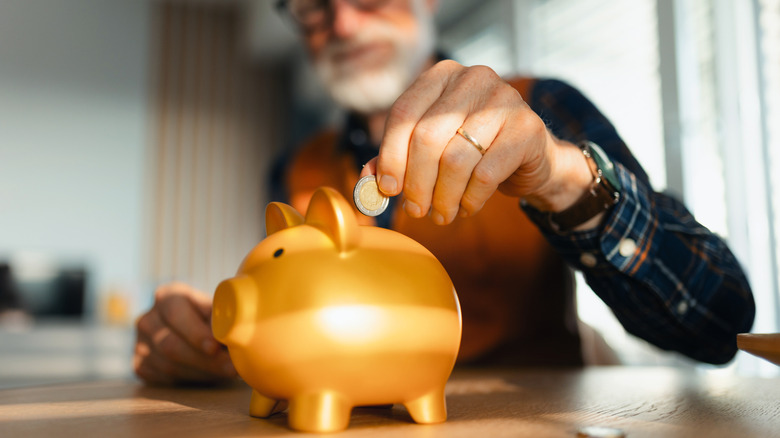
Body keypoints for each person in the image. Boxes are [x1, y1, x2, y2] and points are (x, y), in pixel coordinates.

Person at [134, 0, 755, 385]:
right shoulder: (295, 168)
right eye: (312, 4)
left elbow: (720, 322)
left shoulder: (544, 107)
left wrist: (561, 177)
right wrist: (210, 345)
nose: (343, 21)